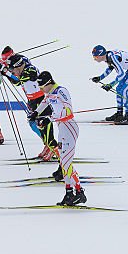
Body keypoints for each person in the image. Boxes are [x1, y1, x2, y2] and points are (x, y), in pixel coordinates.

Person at [30, 71, 86, 206]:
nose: (41, 89)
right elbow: (45, 101)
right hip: (62, 129)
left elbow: (68, 111)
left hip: (69, 129)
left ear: (49, 83)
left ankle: (78, 193)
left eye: (42, 86)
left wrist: (48, 119)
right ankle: (71, 193)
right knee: (64, 162)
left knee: (66, 163)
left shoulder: (61, 91)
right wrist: (36, 113)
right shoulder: (49, 93)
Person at [4, 53, 58, 162]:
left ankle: (55, 151)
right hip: (32, 101)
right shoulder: (20, 69)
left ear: (18, 66)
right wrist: (2, 70)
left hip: (41, 101)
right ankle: (48, 145)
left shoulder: (30, 70)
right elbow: (16, 81)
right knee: (33, 125)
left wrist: (4, 71)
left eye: (13, 70)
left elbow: (22, 79)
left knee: (45, 127)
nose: (13, 72)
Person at [90, 45, 128, 125]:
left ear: (101, 55)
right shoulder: (107, 57)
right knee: (119, 89)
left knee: (124, 90)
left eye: (95, 57)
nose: (94, 59)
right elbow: (110, 68)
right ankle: (119, 114)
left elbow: (121, 74)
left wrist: (111, 84)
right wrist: (100, 78)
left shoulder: (112, 57)